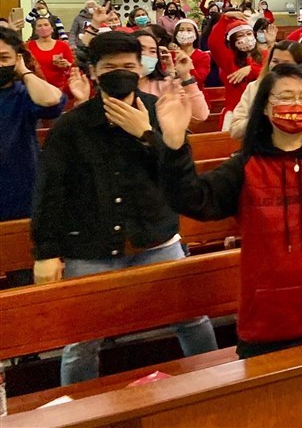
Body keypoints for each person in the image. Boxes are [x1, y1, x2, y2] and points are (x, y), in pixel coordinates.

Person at [154, 63, 302, 358]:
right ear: (266, 107)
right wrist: (174, 142)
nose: (296, 105)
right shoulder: (244, 166)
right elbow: (191, 199)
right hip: (268, 323)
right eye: (285, 97)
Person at [32, 32, 218, 383]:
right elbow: (50, 190)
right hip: (90, 244)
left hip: (156, 237)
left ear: (141, 68)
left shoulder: (160, 109)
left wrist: (147, 135)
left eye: (129, 66)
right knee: (82, 340)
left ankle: (214, 385)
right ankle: (79, 410)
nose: (121, 73)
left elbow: (182, 177)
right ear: (94, 72)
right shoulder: (72, 126)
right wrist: (46, 252)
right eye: (111, 67)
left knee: (192, 318)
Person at [1, 28, 65, 221]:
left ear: (17, 59)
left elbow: (52, 101)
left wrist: (24, 72)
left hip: (18, 189)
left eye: (4, 58)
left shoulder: (24, 92)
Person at [229, 41, 302, 139]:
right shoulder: (254, 87)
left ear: (300, 66)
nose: (278, 67)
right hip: (260, 147)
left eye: (286, 63)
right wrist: (260, 116)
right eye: (275, 61)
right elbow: (235, 130)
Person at [133, 29, 209, 122]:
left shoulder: (165, 85)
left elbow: (200, 115)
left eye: (152, 51)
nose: (145, 54)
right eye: (140, 49)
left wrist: (186, 76)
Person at [208, 14, 263, 127]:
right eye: (240, 35)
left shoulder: (263, 55)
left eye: (249, 34)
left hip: (260, 111)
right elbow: (214, 43)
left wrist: (252, 69)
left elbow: (273, 73)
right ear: (233, 41)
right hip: (235, 111)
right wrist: (224, 18)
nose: (246, 38)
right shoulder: (228, 59)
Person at [26, 16, 76, 92]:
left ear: (52, 28)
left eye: (46, 25)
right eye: (39, 26)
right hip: (35, 88)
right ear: (35, 31)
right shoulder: (28, 46)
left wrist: (67, 65)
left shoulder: (63, 45)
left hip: (59, 88)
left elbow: (72, 67)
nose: (43, 28)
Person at [172, 19, 211, 92]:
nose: (185, 33)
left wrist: (188, 63)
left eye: (189, 30)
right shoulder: (170, 55)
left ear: (196, 34)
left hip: (196, 96)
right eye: (181, 30)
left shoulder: (203, 56)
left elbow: (199, 80)